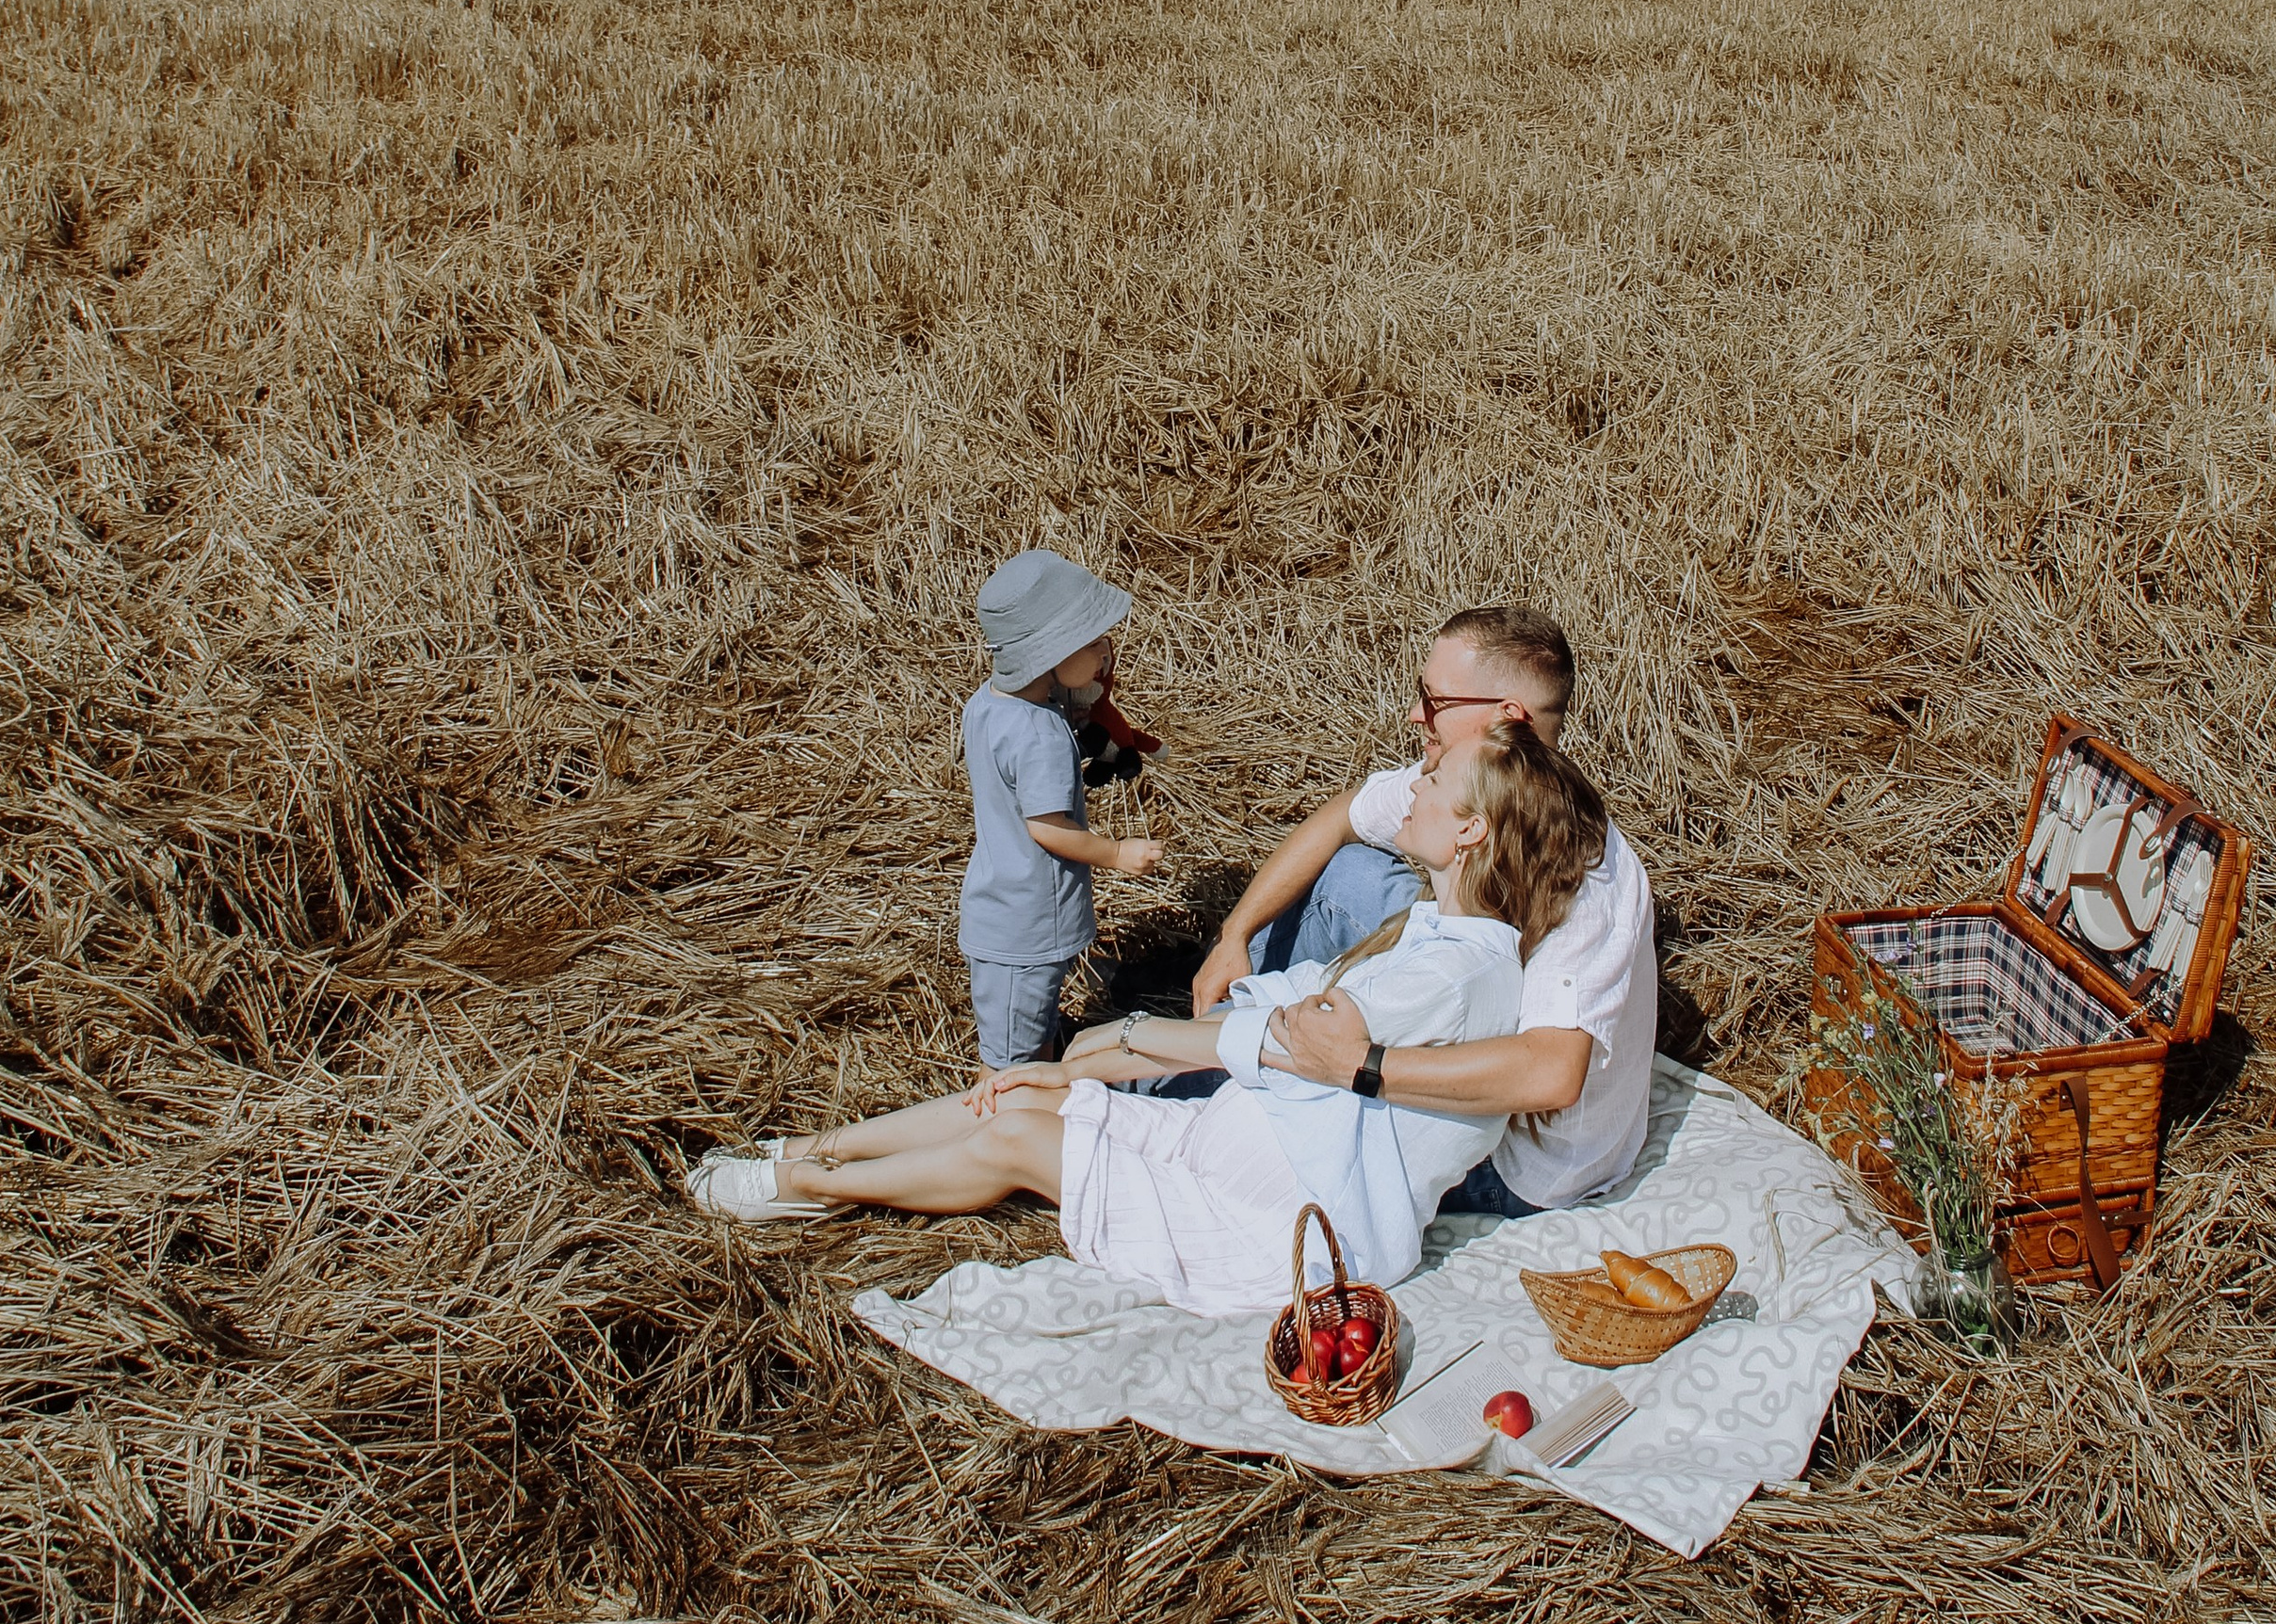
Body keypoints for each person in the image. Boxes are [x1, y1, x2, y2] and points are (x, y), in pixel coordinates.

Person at [684, 724, 1606, 1314]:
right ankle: (806, 1151)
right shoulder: (1431, 935)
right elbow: (1283, 1011)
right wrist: (1091, 1061)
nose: (1411, 788)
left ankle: (802, 1188)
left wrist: (1109, 1052)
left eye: (1433, 781)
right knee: (1019, 1100)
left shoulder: (1449, 974)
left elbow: (1276, 1041)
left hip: (1277, 1223)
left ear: (1472, 831)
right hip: (1244, 1150)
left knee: (1018, 1134)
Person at [1178, 603, 1655, 1215]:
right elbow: (1341, 816)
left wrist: (1361, 1065)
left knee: (1286, 1104)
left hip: (1516, 1158)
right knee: (1351, 875)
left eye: (1436, 701)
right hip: (1469, 1000)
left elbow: (1551, 1075)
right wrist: (1234, 935)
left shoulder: (1588, 874)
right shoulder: (1469, 780)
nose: (1415, 715)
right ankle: (1221, 1013)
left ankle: (1181, 1083)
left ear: (1506, 718)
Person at [957, 546, 1162, 1069]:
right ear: (1053, 652)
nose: (1106, 654)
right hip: (1026, 926)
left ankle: (1040, 1076)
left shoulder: (987, 705)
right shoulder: (1041, 735)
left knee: (1036, 1024)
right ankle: (1005, 1130)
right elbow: (1047, 826)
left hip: (1000, 900)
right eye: (1094, 644)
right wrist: (1117, 853)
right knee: (1010, 1060)